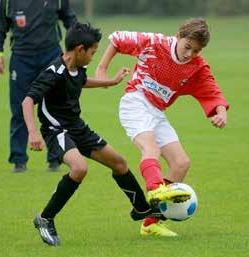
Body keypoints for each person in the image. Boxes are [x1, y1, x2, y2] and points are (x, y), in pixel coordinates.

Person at [22, 22, 190, 246]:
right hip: (56, 130)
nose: (93, 58)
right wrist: (33, 133)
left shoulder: (76, 67)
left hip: (77, 127)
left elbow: (81, 81)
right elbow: (28, 100)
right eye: (92, 52)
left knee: (119, 163)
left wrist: (109, 81)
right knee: (79, 168)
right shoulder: (54, 72)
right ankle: (45, 219)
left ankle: (141, 209)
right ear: (80, 49)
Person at [96, 17, 229, 237]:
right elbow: (118, 39)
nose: (189, 54)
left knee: (181, 163)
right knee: (151, 150)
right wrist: (102, 70)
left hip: (157, 112)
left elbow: (211, 90)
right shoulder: (154, 43)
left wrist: (221, 112)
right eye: (187, 46)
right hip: (135, 101)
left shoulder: (196, 66)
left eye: (195, 51)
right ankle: (155, 189)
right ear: (178, 36)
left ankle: (151, 222)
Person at [0, 0, 77, 172]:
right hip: (22, 58)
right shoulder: (9, 2)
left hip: (51, 55)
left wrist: (74, 48)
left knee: (56, 107)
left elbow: (71, 21)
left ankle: (56, 158)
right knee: (18, 108)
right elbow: (0, 25)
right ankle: (18, 160)